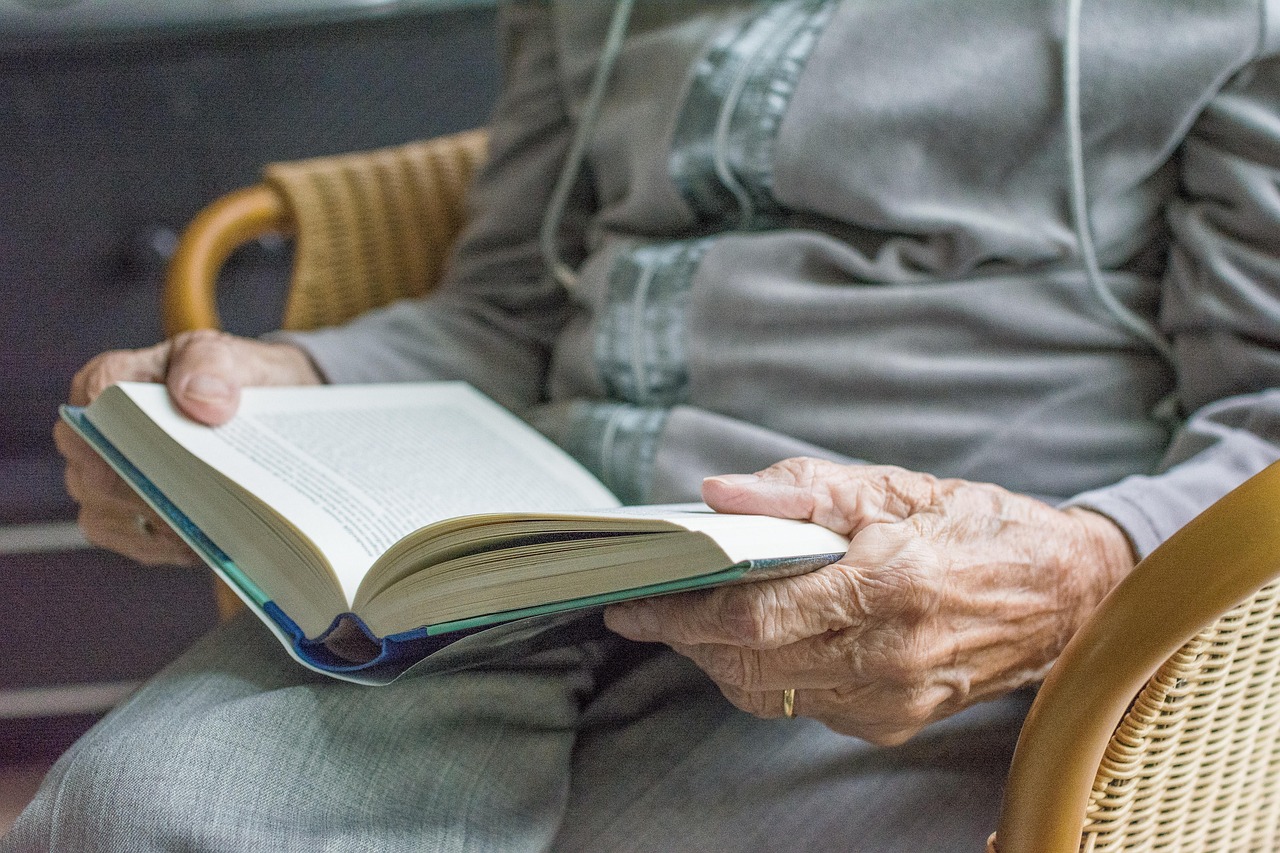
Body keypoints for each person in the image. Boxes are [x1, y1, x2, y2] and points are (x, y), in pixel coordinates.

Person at [10, 0, 1280, 849]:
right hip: (529, 555)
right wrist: (278, 379)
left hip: (897, 618)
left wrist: (1078, 571)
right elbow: (507, 304)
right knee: (129, 813)